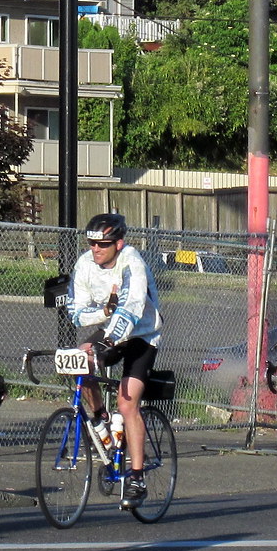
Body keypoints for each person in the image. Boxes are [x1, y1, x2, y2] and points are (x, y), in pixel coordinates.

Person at [67, 213, 162, 510]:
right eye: (92, 243)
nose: (96, 249)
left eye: (103, 244)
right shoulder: (84, 264)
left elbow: (132, 308)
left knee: (127, 402)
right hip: (110, 327)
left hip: (143, 334)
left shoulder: (132, 262)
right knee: (81, 359)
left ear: (119, 243)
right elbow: (76, 311)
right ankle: (100, 420)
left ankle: (136, 478)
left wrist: (108, 336)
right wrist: (105, 314)